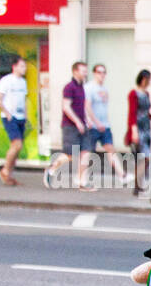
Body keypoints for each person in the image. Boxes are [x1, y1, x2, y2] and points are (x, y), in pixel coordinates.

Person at [47, 61, 97, 190]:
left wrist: (87, 120)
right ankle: (51, 168)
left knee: (86, 152)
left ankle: (82, 181)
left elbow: (82, 106)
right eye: (83, 71)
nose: (85, 73)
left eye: (86, 71)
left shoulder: (82, 87)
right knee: (70, 155)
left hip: (82, 125)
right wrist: (77, 121)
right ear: (75, 71)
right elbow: (66, 107)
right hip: (70, 126)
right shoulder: (69, 87)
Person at [0, 55, 28, 187]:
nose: (24, 69)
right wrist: (7, 113)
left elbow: (22, 100)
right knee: (16, 144)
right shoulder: (6, 80)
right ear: (14, 67)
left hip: (20, 117)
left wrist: (26, 116)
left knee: (17, 148)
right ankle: (5, 171)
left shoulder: (23, 82)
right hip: (10, 117)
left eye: (25, 66)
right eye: (22, 66)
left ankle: (9, 175)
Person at [86, 63, 123, 183]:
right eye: (99, 72)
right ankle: (82, 177)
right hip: (93, 126)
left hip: (105, 125)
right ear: (94, 73)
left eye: (103, 72)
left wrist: (105, 123)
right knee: (87, 152)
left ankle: (122, 174)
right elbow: (87, 106)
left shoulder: (104, 89)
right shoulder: (89, 87)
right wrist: (95, 122)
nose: (101, 75)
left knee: (111, 149)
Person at [126, 69, 151, 195]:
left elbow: (147, 111)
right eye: (146, 79)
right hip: (138, 128)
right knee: (144, 157)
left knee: (144, 158)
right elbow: (132, 113)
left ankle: (138, 183)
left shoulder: (146, 94)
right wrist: (134, 131)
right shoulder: (134, 93)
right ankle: (137, 184)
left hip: (146, 128)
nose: (147, 82)